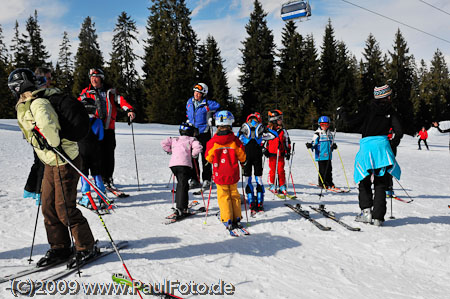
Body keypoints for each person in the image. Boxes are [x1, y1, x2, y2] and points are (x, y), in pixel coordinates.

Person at [9, 68, 96, 267]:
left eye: (13, 87)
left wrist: (50, 141)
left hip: (65, 160)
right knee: (48, 207)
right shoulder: (27, 104)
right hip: (50, 161)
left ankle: (86, 246)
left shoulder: (38, 103)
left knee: (64, 208)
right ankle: (60, 247)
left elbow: (51, 131)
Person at [339, 84, 402, 226]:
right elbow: (399, 132)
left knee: (364, 179)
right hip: (383, 147)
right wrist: (391, 145)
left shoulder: (367, 109)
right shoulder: (391, 111)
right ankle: (378, 217)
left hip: (367, 147)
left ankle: (366, 213)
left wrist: (342, 112)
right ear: (386, 96)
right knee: (381, 183)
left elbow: (350, 122)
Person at [78, 68, 135, 191]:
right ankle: (97, 179)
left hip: (108, 128)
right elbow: (77, 105)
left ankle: (108, 178)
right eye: (92, 77)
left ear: (101, 78)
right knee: (95, 155)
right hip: (93, 128)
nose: (93, 79)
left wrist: (129, 110)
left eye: (96, 77)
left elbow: (122, 101)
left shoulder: (111, 92)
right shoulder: (85, 92)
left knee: (108, 154)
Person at [205, 111, 246, 231]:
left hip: (220, 174)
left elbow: (208, 157)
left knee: (223, 196)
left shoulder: (213, 142)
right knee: (234, 195)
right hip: (233, 173)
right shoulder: (235, 141)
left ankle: (227, 218)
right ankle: (237, 217)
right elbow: (242, 156)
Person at [23, 66, 53, 205]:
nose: (50, 81)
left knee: (39, 162)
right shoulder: (36, 93)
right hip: (38, 133)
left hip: (37, 133)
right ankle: (40, 193)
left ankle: (32, 190)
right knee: (43, 163)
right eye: (48, 78)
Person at [237, 112, 276, 214]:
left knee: (247, 179)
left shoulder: (244, 128)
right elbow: (274, 135)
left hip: (247, 155)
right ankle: (260, 202)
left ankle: (251, 202)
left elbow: (237, 138)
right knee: (258, 178)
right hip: (258, 154)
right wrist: (267, 129)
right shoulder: (261, 129)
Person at [161, 122, 203, 216]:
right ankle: (181, 208)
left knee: (181, 183)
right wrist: (193, 155)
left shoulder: (175, 139)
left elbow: (163, 143)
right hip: (184, 165)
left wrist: (170, 150)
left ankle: (179, 202)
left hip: (173, 166)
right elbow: (198, 147)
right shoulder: (192, 139)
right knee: (183, 185)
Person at [77, 86, 107, 209]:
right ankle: (101, 196)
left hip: (82, 152)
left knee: (84, 175)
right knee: (97, 174)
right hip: (95, 151)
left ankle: (86, 197)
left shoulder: (79, 121)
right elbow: (101, 137)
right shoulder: (98, 121)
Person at [185, 83, 220, 190]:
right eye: (195, 92)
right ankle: (195, 179)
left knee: (206, 157)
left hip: (204, 133)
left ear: (204, 94)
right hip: (192, 133)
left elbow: (218, 108)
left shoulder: (208, 104)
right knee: (193, 157)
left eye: (199, 93)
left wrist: (212, 117)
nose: (196, 94)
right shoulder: (190, 102)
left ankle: (207, 179)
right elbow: (188, 113)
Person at [264, 110, 291, 196]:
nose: (281, 120)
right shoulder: (268, 130)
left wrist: (288, 151)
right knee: (273, 170)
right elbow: (263, 141)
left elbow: (287, 141)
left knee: (281, 170)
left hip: (281, 153)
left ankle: (282, 185)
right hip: (271, 153)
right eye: (279, 119)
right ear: (274, 120)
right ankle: (272, 184)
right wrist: (264, 149)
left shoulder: (283, 130)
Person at [306, 116, 337, 189]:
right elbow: (314, 142)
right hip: (321, 155)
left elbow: (331, 143)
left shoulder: (330, 134)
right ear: (320, 125)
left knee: (329, 169)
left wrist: (334, 146)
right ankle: (322, 182)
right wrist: (311, 145)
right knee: (322, 170)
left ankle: (329, 182)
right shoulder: (317, 134)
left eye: (326, 125)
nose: (324, 127)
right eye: (322, 125)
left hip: (328, 155)